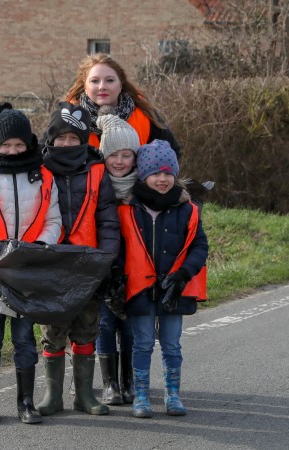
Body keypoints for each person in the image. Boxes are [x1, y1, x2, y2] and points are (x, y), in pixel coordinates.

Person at [0, 102, 62, 425]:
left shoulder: (43, 178)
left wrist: (41, 249)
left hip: (26, 272)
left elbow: (53, 220)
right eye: (7, 144)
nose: (14, 150)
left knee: (24, 339)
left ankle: (26, 402)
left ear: (29, 144)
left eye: (19, 144)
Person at [36, 101, 120, 416]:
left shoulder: (98, 171)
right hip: (52, 262)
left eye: (75, 139)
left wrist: (108, 258)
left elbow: (108, 220)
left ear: (85, 140)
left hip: (88, 264)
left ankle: (84, 395)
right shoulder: (39, 169)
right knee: (53, 329)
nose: (68, 144)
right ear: (51, 138)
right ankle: (52, 396)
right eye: (62, 138)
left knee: (86, 328)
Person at [118, 139, 208, 419]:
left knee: (172, 344)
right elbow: (120, 248)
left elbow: (199, 246)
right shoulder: (128, 208)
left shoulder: (188, 209)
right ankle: (142, 395)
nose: (163, 179)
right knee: (142, 343)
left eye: (169, 173)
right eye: (156, 173)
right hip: (140, 288)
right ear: (143, 174)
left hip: (174, 289)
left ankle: (173, 394)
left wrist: (183, 274)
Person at [94, 107, 140, 405]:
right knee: (105, 324)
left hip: (136, 271)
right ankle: (109, 383)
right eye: (113, 155)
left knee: (131, 327)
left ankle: (129, 380)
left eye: (126, 155)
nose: (120, 161)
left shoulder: (145, 188)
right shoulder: (98, 185)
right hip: (104, 269)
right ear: (104, 155)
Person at [64, 53, 181, 159]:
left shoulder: (143, 113)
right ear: (85, 86)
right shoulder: (69, 116)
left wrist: (147, 176)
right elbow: (48, 154)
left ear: (121, 85)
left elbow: (172, 152)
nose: (102, 87)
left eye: (110, 80)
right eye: (94, 81)